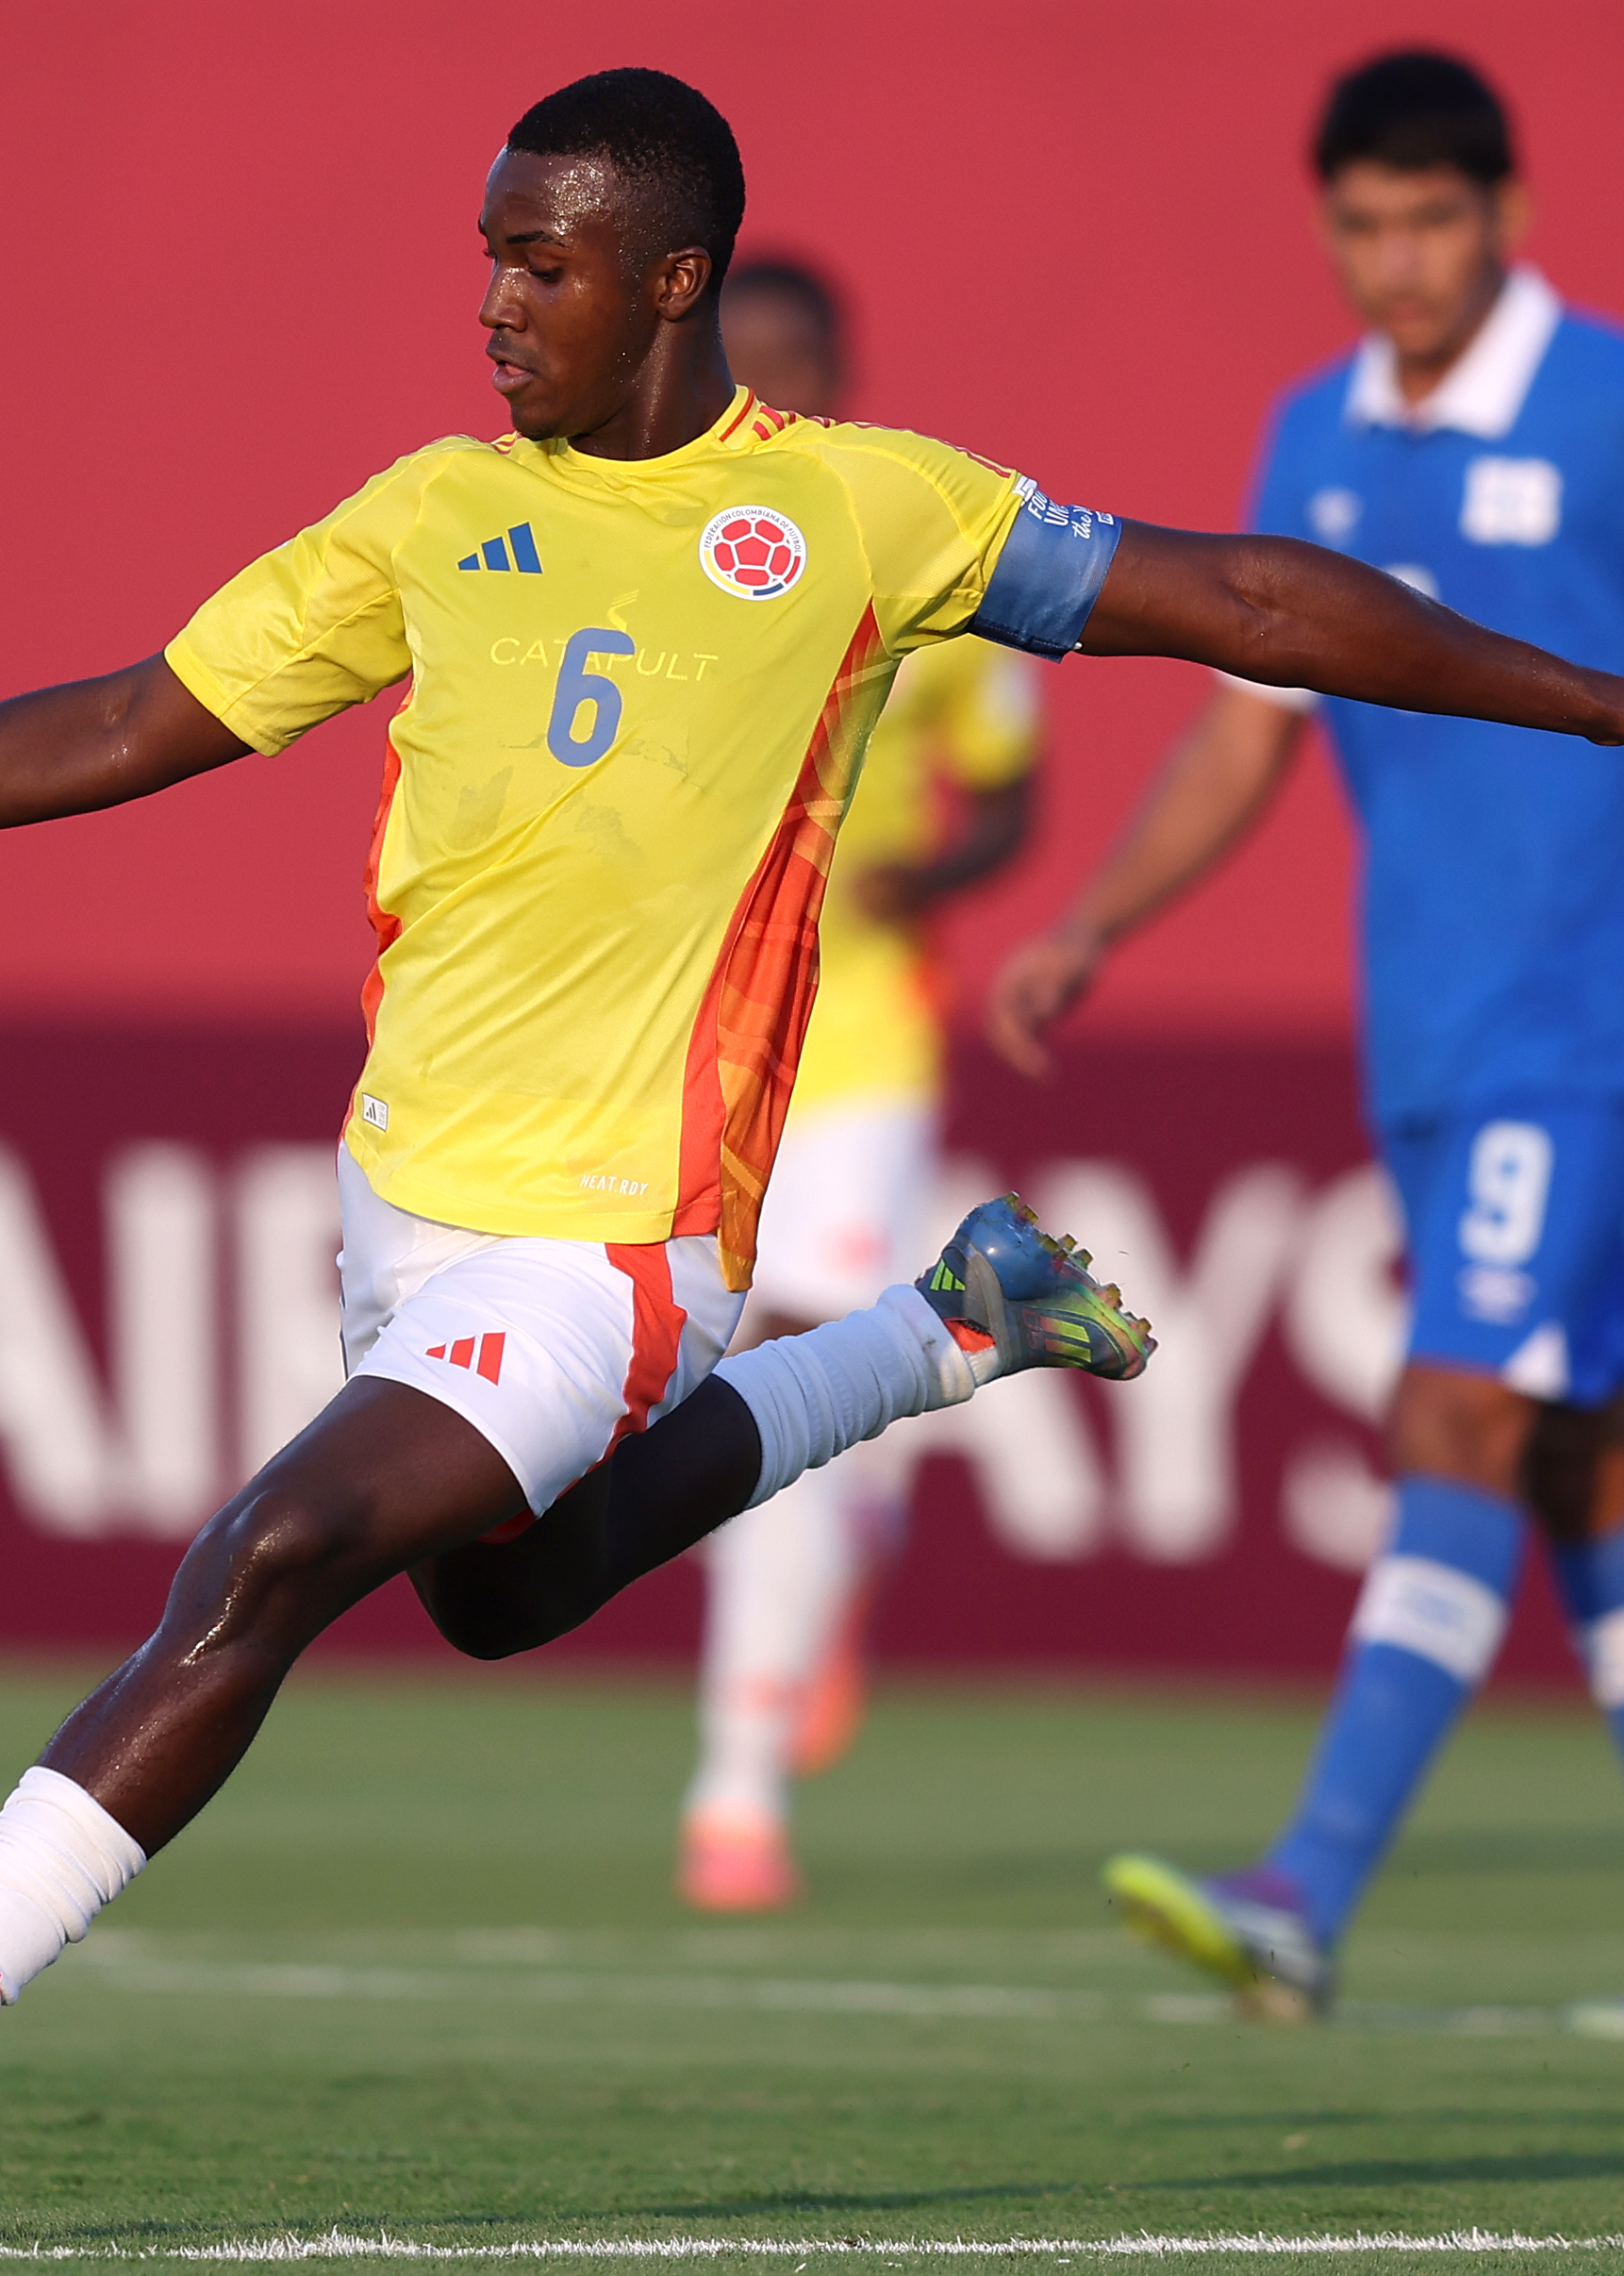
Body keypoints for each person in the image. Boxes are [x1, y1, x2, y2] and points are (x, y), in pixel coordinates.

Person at [0, 67, 1624, 2191]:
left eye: (537, 265)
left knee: (267, 1555)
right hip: (407, 1212)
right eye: (485, 260)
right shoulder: (433, 516)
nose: (492, 305)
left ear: (672, 282)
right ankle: (940, 1335)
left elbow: (1246, 597)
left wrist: (1597, 694)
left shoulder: (854, 511)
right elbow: (127, 717)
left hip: (621, 1243)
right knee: (501, 1594)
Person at [987, 50, 1624, 2025]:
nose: (1398, 264)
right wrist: (1097, 921)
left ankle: (1303, 1887)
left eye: (1431, 222)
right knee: (1579, 1461)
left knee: (1453, 1409)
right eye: (1363, 227)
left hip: (1581, 1019)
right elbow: (1242, 728)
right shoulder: (1314, 439)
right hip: (1435, 1032)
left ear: (1506, 214)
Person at [677, 258, 1045, 1912]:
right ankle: (857, 1521)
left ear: (841, 366)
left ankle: (734, 1795)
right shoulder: (667, 559)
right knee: (775, 1393)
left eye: (796, 364)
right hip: (708, 1044)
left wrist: (938, 874)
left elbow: (1013, 792)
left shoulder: (911, 546)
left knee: (786, 1356)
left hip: (869, 1034)